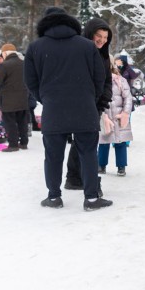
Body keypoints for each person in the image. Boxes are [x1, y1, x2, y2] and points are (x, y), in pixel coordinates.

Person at [24, 6, 112, 211]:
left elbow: (30, 81)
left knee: (53, 155)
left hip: (54, 109)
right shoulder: (87, 46)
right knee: (88, 153)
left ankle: (54, 197)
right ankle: (91, 199)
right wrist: (91, 97)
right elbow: (100, 77)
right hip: (85, 108)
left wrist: (46, 98)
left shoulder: (36, 48)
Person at [64, 18, 114, 194]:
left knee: (82, 143)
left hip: (95, 105)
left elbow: (107, 82)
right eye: (98, 36)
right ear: (90, 34)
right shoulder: (79, 53)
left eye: (105, 37)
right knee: (85, 143)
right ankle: (80, 179)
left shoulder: (104, 56)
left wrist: (103, 101)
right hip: (80, 104)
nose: (102, 40)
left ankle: (75, 178)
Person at [0, 44, 30, 152]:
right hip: (23, 98)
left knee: (10, 122)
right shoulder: (24, 63)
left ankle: (13, 145)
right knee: (22, 121)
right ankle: (24, 143)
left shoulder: (4, 65)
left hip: (8, 100)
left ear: (5, 52)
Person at [98, 66, 133, 176]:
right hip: (105, 115)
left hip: (119, 116)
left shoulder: (121, 80)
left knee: (120, 141)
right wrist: (100, 112)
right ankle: (101, 164)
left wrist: (125, 113)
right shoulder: (99, 80)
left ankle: (121, 166)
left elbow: (128, 98)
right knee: (104, 140)